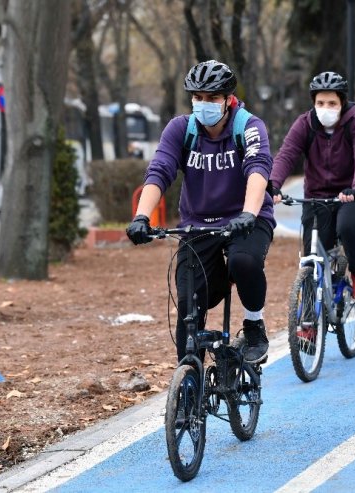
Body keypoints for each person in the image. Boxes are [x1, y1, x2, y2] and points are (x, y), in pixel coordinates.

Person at [126, 60, 275, 364]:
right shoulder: (181, 129)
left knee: (243, 261)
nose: (203, 104)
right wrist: (142, 216)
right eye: (198, 97)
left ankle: (254, 325)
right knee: (188, 307)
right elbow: (160, 170)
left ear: (228, 99)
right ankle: (188, 389)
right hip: (197, 225)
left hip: (245, 219)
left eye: (212, 98)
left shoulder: (248, 126)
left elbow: (258, 169)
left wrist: (248, 213)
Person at [268, 71, 355, 299]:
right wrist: (273, 185)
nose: (325, 107)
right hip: (317, 196)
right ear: (313, 103)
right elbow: (287, 155)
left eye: (331, 103)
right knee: (312, 256)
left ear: (342, 102)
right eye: (320, 102)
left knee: (348, 227)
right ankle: (307, 324)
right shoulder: (304, 124)